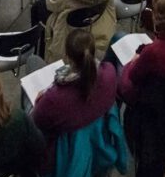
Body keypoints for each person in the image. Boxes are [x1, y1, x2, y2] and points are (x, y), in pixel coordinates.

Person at [32, 30, 118, 164]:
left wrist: (39, 101)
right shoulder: (110, 72)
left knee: (33, 62)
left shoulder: (55, 97)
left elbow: (37, 121)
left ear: (67, 56)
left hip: (63, 150)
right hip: (98, 137)